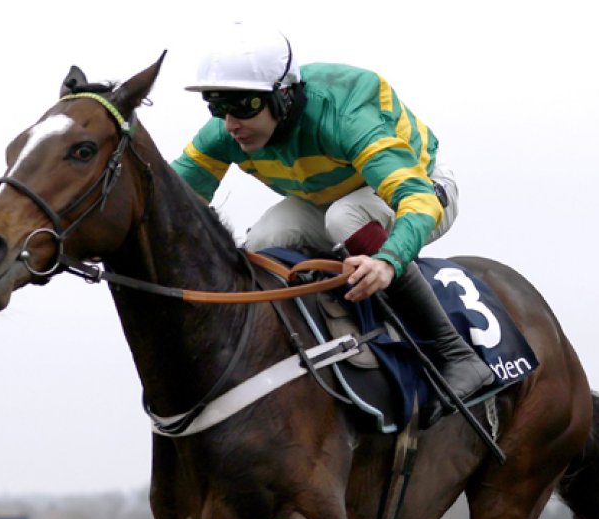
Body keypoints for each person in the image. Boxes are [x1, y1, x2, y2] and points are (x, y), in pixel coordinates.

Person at [170, 22, 494, 405]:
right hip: (329, 202)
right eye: (218, 106)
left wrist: (388, 261)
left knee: (344, 218)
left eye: (244, 106)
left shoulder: (345, 116)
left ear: (284, 96)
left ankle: (455, 353)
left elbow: (417, 199)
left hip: (425, 189)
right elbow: (168, 203)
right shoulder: (224, 133)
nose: (230, 124)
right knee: (263, 240)